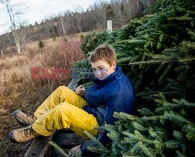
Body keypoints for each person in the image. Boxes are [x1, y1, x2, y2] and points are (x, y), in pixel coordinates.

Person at [8, 44, 136, 156]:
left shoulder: (119, 94)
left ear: (113, 64)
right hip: (94, 110)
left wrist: (84, 148)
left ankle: (34, 130)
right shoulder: (110, 77)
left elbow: (110, 132)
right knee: (62, 91)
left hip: (98, 128)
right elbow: (100, 95)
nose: (97, 73)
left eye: (101, 68)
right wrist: (84, 93)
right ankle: (37, 120)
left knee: (63, 110)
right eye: (94, 69)